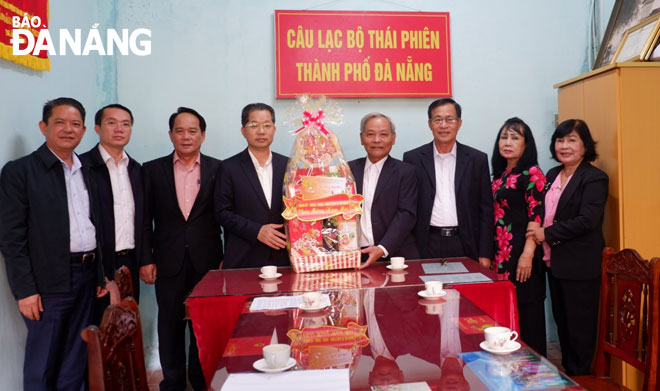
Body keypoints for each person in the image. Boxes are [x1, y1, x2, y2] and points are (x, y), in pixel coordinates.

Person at [0, 97, 110, 391]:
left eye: (75, 124)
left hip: (87, 277)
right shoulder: (21, 171)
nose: (68, 129)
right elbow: (11, 237)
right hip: (48, 282)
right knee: (44, 360)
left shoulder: (86, 169)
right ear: (43, 127)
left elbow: (94, 225)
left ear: (85, 130)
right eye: (59, 122)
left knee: (76, 357)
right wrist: (25, 290)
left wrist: (99, 274)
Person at [140, 107, 223, 391]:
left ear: (202, 135)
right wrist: (146, 259)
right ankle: (173, 382)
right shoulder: (151, 170)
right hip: (168, 260)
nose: (186, 136)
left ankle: (201, 381)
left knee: (203, 326)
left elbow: (223, 215)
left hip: (208, 261)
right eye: (180, 130)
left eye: (192, 131)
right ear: (170, 134)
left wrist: (225, 259)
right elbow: (143, 218)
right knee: (170, 323)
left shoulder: (218, 169)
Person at [526, 119, 608, 375]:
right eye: (560, 140)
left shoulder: (594, 178)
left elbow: (587, 221)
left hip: (580, 264)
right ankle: (568, 373)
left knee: (579, 327)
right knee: (563, 323)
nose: (564, 146)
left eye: (572, 140)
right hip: (555, 262)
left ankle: (580, 376)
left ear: (585, 145)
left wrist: (545, 233)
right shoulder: (552, 174)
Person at [403, 98, 493, 267]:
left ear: (459, 123)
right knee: (426, 292)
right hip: (427, 243)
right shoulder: (412, 159)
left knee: (465, 292)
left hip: (464, 243)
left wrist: (485, 253)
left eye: (450, 119)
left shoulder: (477, 159)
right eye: (438, 120)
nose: (443, 125)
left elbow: (486, 210)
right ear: (430, 124)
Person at [80, 104, 144, 321]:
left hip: (130, 262)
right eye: (112, 123)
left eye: (125, 124)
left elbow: (143, 219)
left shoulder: (136, 169)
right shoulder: (83, 167)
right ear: (97, 128)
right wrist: (103, 274)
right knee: (99, 329)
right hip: (97, 264)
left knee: (127, 328)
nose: (119, 129)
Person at [490, 117, 547, 356]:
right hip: (501, 256)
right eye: (504, 137)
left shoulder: (532, 173)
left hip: (523, 255)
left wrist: (527, 254)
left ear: (526, 144)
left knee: (528, 314)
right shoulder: (500, 175)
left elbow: (538, 214)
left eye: (515, 138)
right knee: (506, 313)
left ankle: (534, 370)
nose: (508, 142)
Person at [216, 103, 289, 269]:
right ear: (243, 131)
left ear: (274, 129)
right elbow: (222, 212)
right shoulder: (228, 167)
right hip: (244, 259)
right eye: (254, 125)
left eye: (267, 125)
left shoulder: (289, 165)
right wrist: (256, 231)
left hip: (283, 258)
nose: (261, 131)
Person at [348, 113, 419, 268]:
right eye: (371, 134)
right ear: (362, 138)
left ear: (393, 138)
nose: (377, 140)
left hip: (395, 256)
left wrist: (382, 248)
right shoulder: (347, 170)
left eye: (383, 135)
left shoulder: (406, 172)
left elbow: (406, 214)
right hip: (355, 256)